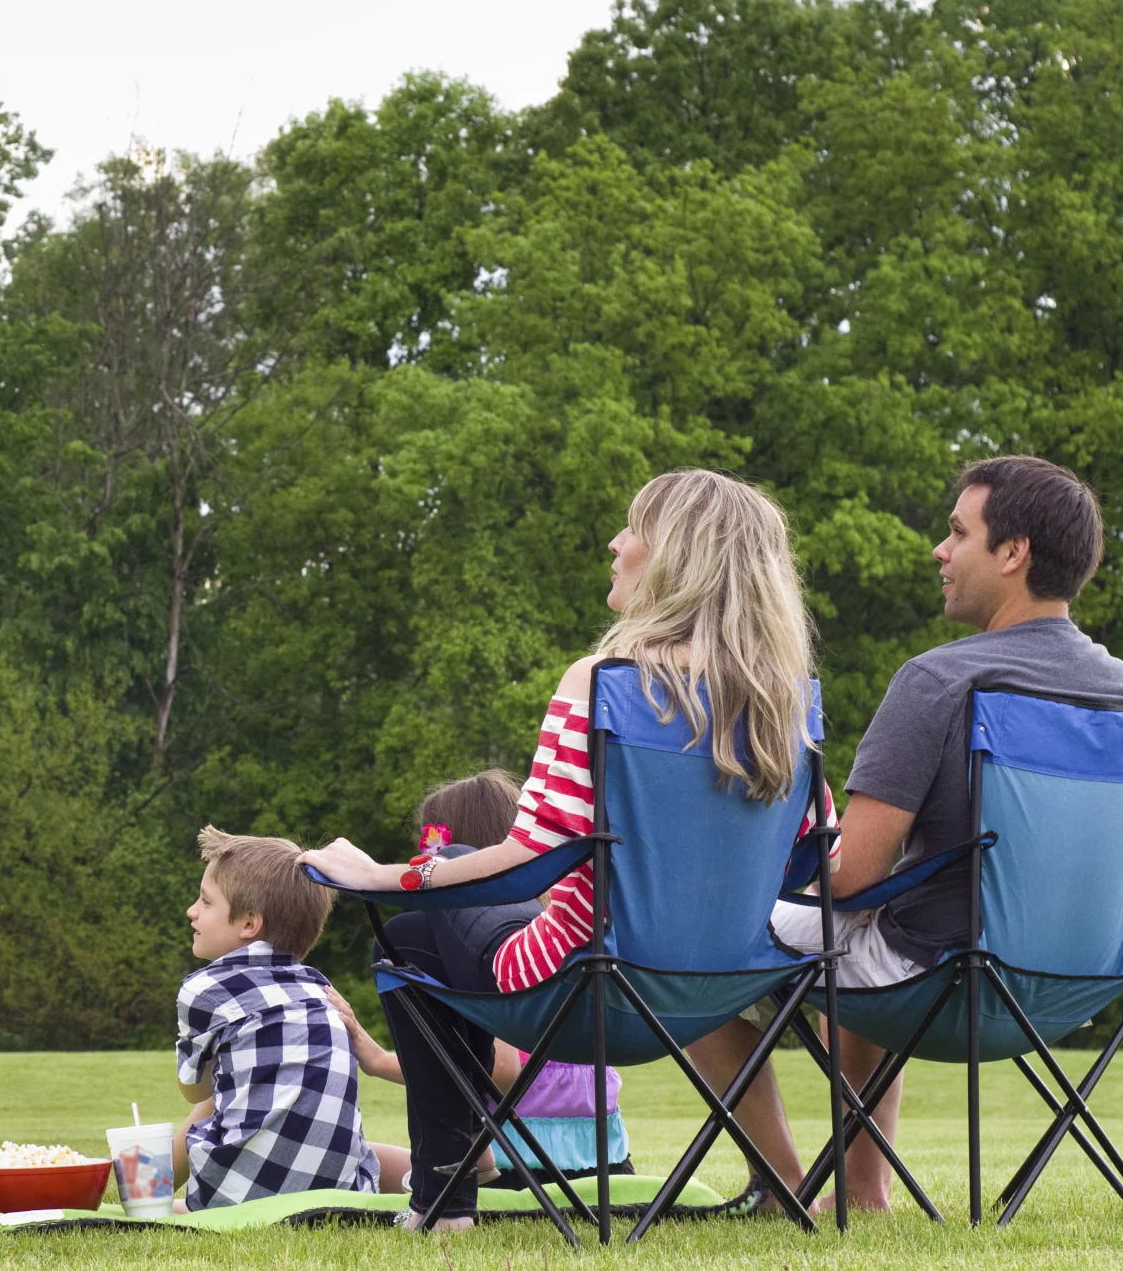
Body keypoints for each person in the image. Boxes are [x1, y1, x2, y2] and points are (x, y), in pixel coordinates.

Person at [301, 468, 823, 1219]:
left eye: (633, 528)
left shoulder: (604, 683)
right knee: (416, 939)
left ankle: (443, 1197)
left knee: (419, 915)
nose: (615, 543)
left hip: (576, 986)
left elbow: (524, 861)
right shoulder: (787, 703)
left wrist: (377, 874)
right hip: (716, 988)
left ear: (677, 554)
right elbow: (806, 857)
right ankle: (782, 1186)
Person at [695, 455, 1123, 1211]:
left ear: (1013, 554)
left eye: (956, 533)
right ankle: (861, 1184)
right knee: (865, 928)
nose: (939, 552)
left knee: (704, 942)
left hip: (938, 983)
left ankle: (785, 1187)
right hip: (1076, 989)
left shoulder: (941, 680)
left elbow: (849, 877)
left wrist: (750, 867)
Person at [326, 771, 633, 1202]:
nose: (423, 858)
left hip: (516, 1166)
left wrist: (377, 1061)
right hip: (607, 1166)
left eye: (430, 850)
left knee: (368, 1164)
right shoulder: (559, 929)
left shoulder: (492, 944)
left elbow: (502, 1069)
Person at [170, 826, 396, 1213]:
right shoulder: (319, 991)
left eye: (206, 902)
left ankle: (152, 1187)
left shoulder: (205, 989)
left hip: (235, 1200)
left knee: (157, 1203)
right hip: (340, 1200)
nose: (192, 910)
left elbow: (195, 1091)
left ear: (248, 924)